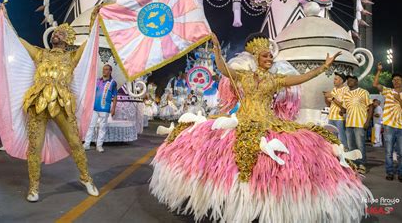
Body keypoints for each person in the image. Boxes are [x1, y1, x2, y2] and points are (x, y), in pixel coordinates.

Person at [150, 33, 371, 222]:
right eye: (265, 56)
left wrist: (324, 66)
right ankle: (228, 199)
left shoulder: (276, 79)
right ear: (257, 58)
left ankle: (262, 202)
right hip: (242, 118)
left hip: (268, 121)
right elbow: (222, 69)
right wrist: (216, 48)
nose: (269, 58)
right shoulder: (244, 75)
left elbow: (301, 78)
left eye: (270, 56)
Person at [0, 3, 99, 202]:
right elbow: (16, 41)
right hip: (37, 102)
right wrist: (5, 19)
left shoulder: (72, 56)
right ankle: (34, 187)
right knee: (34, 147)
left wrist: (95, 16)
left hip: (62, 102)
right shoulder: (40, 54)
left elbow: (92, 40)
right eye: (54, 33)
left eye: (60, 33)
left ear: (67, 39)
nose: (55, 35)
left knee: (76, 142)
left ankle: (86, 178)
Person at [373, 62, 402, 182]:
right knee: (388, 152)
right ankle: (390, 172)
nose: (396, 81)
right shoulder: (388, 91)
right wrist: (379, 71)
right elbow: (375, 84)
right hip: (389, 126)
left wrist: (399, 99)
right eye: (394, 80)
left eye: (398, 79)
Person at [83, 64, 117, 153]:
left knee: (102, 127)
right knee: (91, 126)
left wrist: (113, 108)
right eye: (103, 69)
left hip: (105, 108)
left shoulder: (113, 82)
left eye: (106, 69)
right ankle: (86, 144)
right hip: (95, 107)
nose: (104, 71)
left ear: (110, 71)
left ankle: (99, 145)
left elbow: (115, 97)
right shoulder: (98, 81)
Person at [342, 75, 372, 175]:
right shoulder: (346, 94)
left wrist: (367, 121)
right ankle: (354, 165)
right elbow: (345, 108)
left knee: (360, 145)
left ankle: (362, 165)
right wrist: (341, 111)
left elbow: (370, 107)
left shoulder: (363, 92)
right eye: (348, 81)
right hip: (349, 123)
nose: (349, 82)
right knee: (351, 146)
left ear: (356, 81)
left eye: (351, 80)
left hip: (360, 123)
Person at [323, 72, 349, 148]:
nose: (334, 81)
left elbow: (343, 107)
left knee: (341, 138)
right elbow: (328, 105)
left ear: (341, 81)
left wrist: (333, 97)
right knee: (332, 138)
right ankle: (335, 156)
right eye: (334, 79)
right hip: (331, 117)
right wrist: (325, 97)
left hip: (340, 118)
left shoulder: (346, 90)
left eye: (336, 79)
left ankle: (345, 155)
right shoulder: (334, 89)